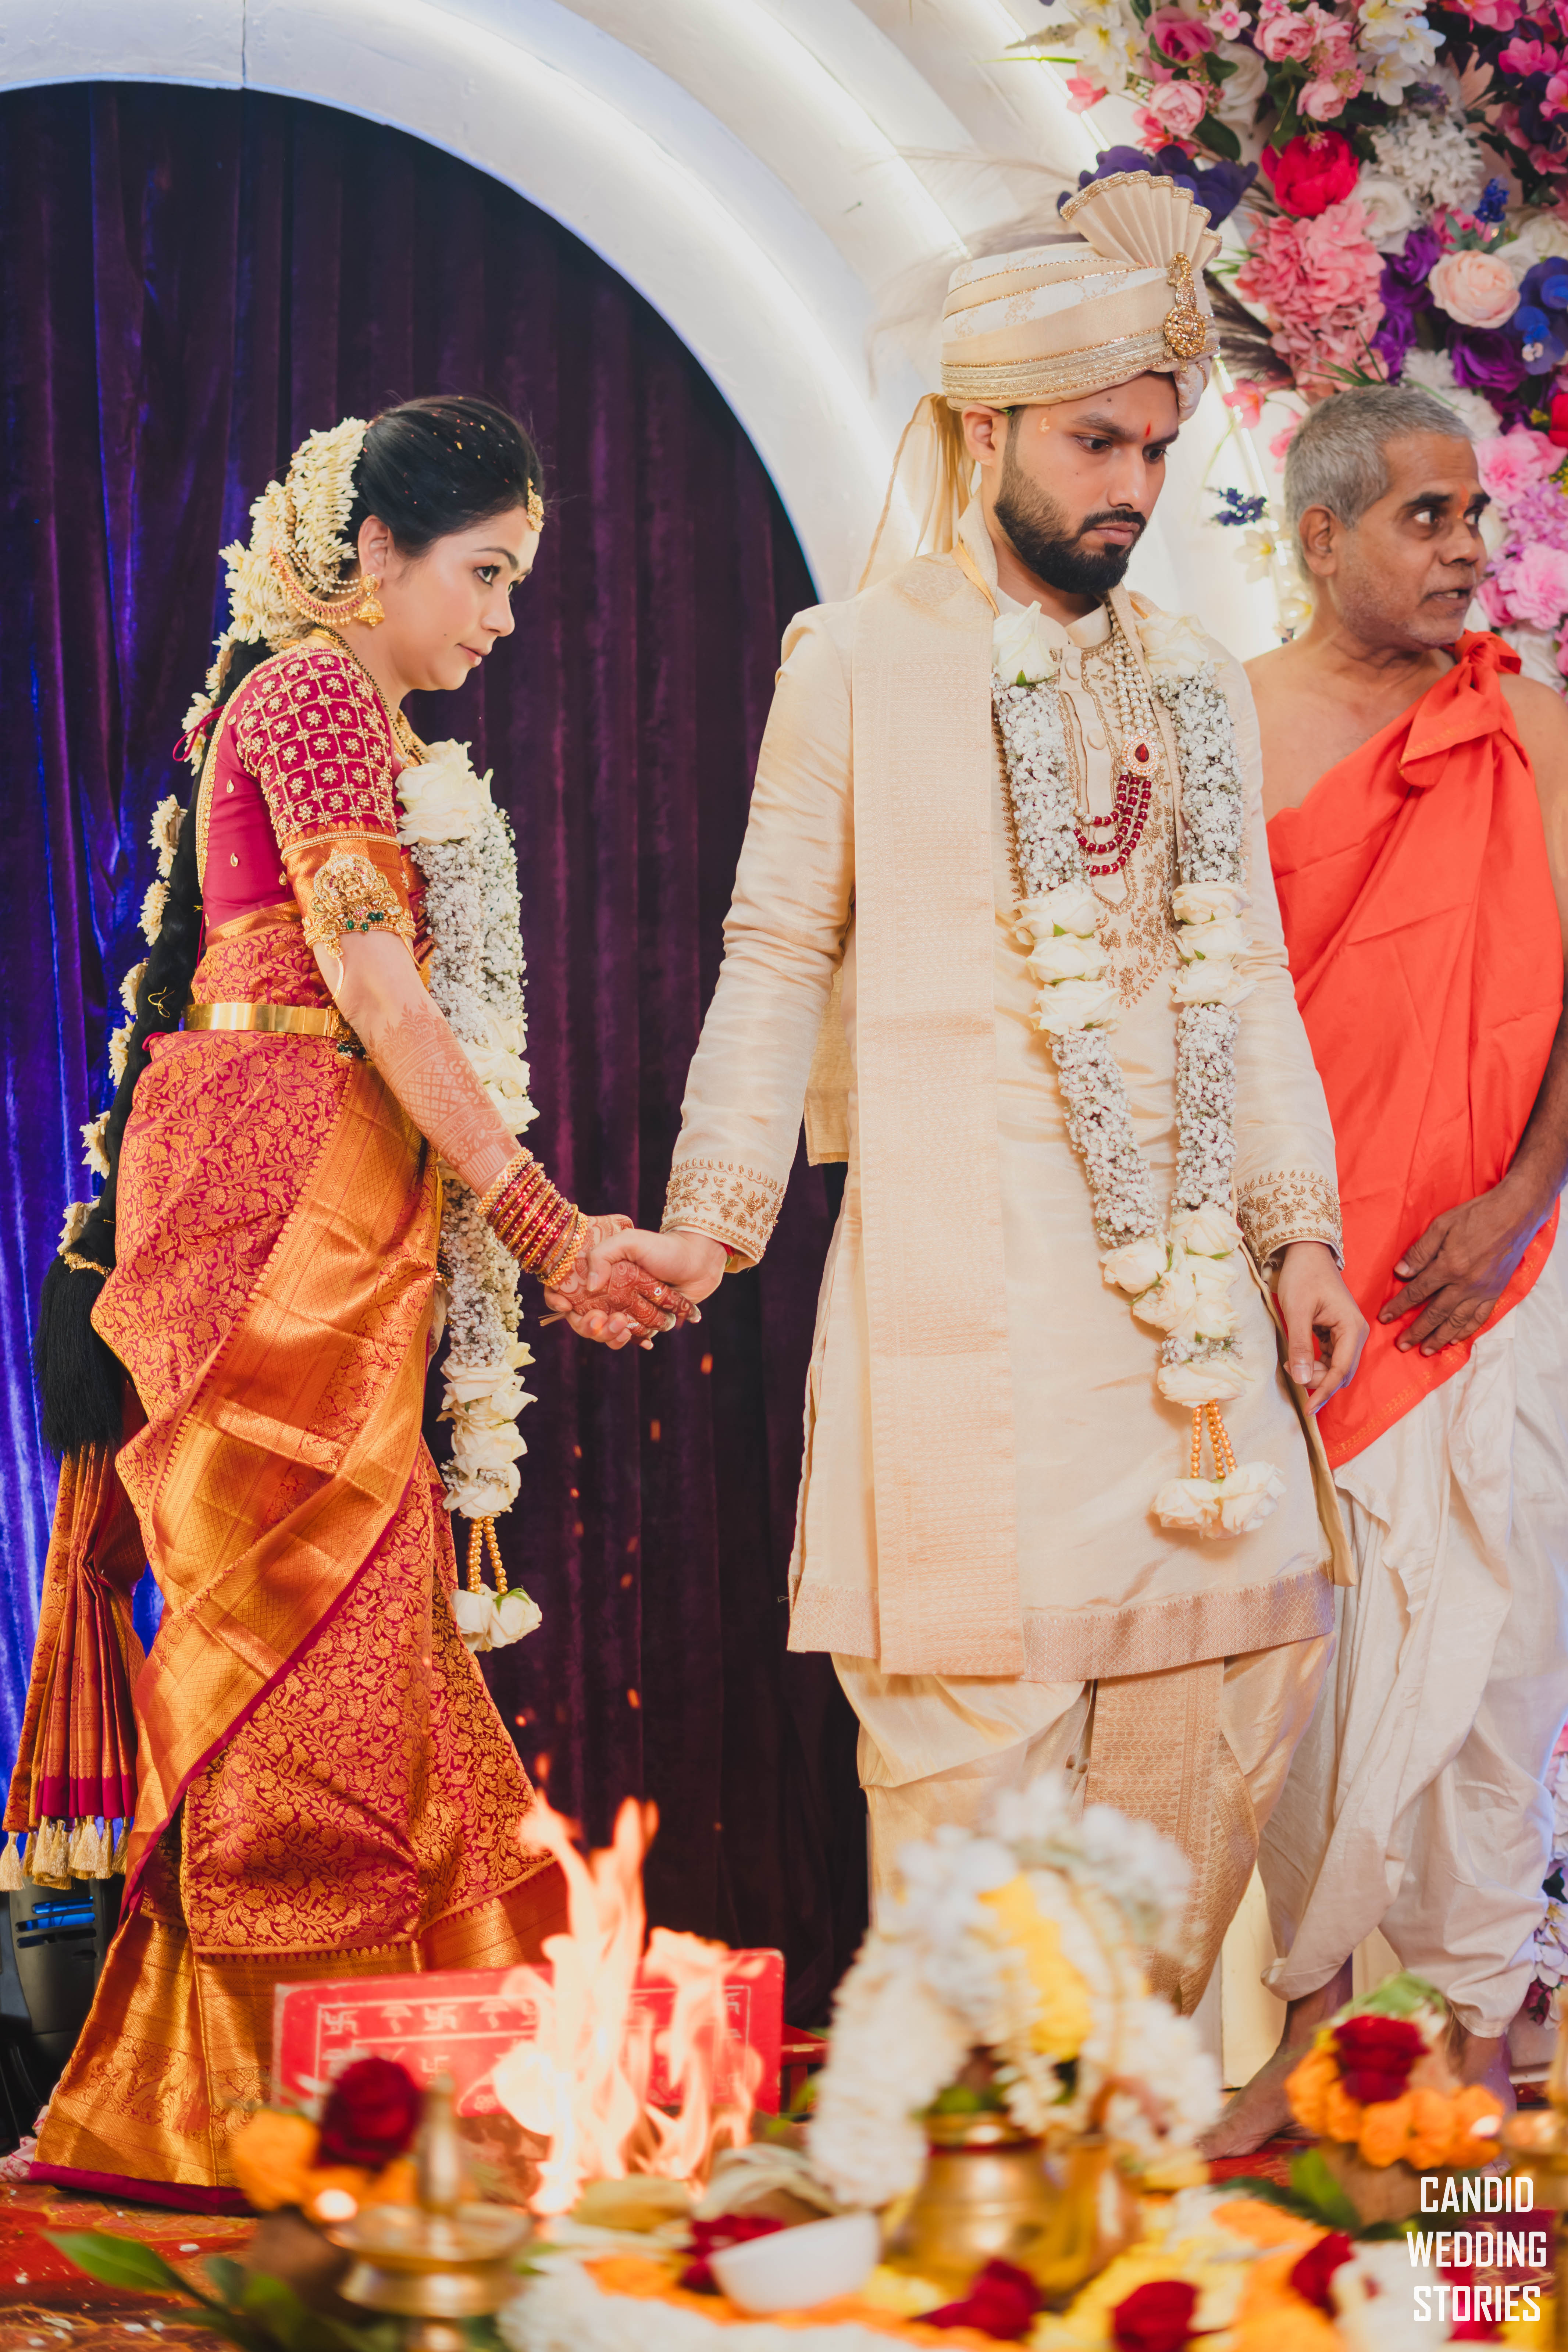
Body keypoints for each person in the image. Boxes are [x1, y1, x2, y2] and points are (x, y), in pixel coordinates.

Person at [587, 172, 1367, 2007]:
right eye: (1096, 441)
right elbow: (774, 951)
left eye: (1156, 448)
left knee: (1233, 1684)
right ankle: (982, 2136)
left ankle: (1113, 2102)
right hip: (966, 1298)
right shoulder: (858, 663)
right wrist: (713, 1219)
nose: (1132, 485)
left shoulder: (1195, 684)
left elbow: (1245, 971)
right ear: (981, 427)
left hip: (1180, 1318)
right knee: (970, 1735)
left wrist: (1298, 1235)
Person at [7, 398, 687, 2203]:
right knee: (298, 1635)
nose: (505, 619)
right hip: (273, 1207)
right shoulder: (314, 693)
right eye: (486, 574)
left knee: (360, 1639)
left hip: (331, 1191)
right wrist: (545, 1230)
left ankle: (365, 2095)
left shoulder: (350, 713)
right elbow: (378, 994)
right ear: (377, 555)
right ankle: (263, 2112)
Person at [1206, 384, 1568, 2153]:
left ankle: (1477, 2076)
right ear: (1319, 536)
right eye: (1426, 517)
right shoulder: (1229, 721)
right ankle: (1314, 2054)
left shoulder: (1532, 729)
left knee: (1495, 1673)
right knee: (1315, 1681)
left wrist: (1513, 1203)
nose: (1465, 549)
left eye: (1476, 515)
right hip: (1294, 1300)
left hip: (1500, 1280)